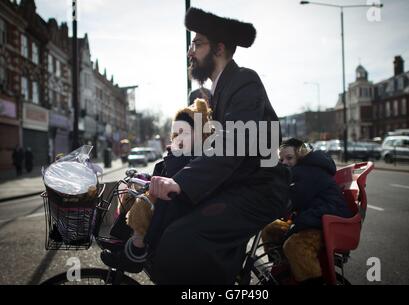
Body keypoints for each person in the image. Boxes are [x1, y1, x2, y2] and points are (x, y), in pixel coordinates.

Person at [134, 7, 290, 285]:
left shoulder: (244, 80)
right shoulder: (221, 90)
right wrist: (170, 172)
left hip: (261, 190)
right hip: (239, 185)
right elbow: (211, 146)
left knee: (183, 238)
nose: (190, 52)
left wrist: (181, 182)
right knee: (170, 217)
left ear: (219, 48)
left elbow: (234, 142)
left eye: (197, 43)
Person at [101, 99, 213, 273]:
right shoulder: (176, 153)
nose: (179, 138)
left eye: (185, 133)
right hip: (170, 203)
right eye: (176, 133)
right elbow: (160, 176)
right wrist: (143, 177)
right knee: (131, 195)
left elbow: (178, 178)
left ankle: (136, 252)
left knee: (143, 204)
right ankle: (120, 243)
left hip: (182, 210)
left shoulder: (198, 157)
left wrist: (174, 157)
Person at [262, 138, 353, 284]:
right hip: (313, 218)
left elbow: (291, 200)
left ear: (301, 154)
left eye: (289, 158)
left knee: (295, 245)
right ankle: (282, 271)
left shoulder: (308, 171)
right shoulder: (300, 170)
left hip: (327, 222)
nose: (284, 162)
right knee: (270, 230)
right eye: (281, 159)